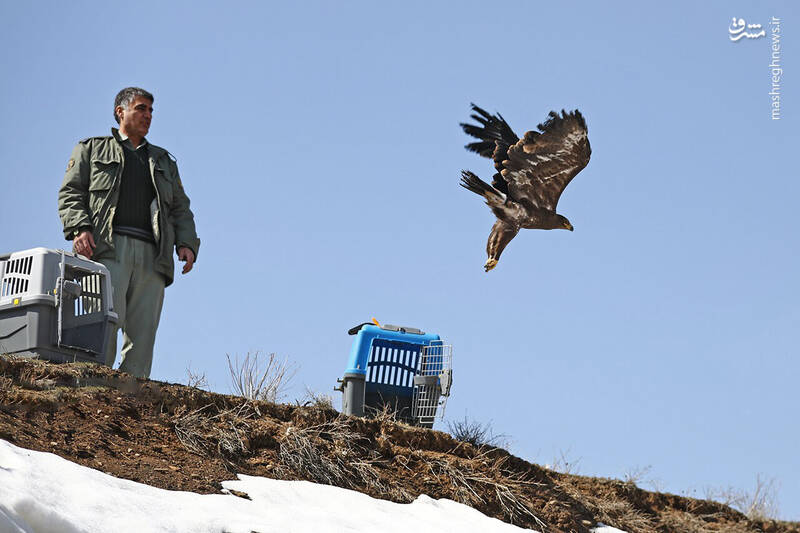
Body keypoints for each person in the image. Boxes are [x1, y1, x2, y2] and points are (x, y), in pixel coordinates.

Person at [58, 87, 200, 378]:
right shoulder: (91, 149)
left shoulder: (163, 161)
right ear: (120, 112)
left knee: (143, 331)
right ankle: (94, 388)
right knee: (104, 322)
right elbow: (71, 193)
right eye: (141, 108)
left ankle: (131, 396)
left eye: (150, 110)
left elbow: (180, 208)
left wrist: (186, 243)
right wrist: (79, 228)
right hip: (108, 249)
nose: (148, 115)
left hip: (153, 255)